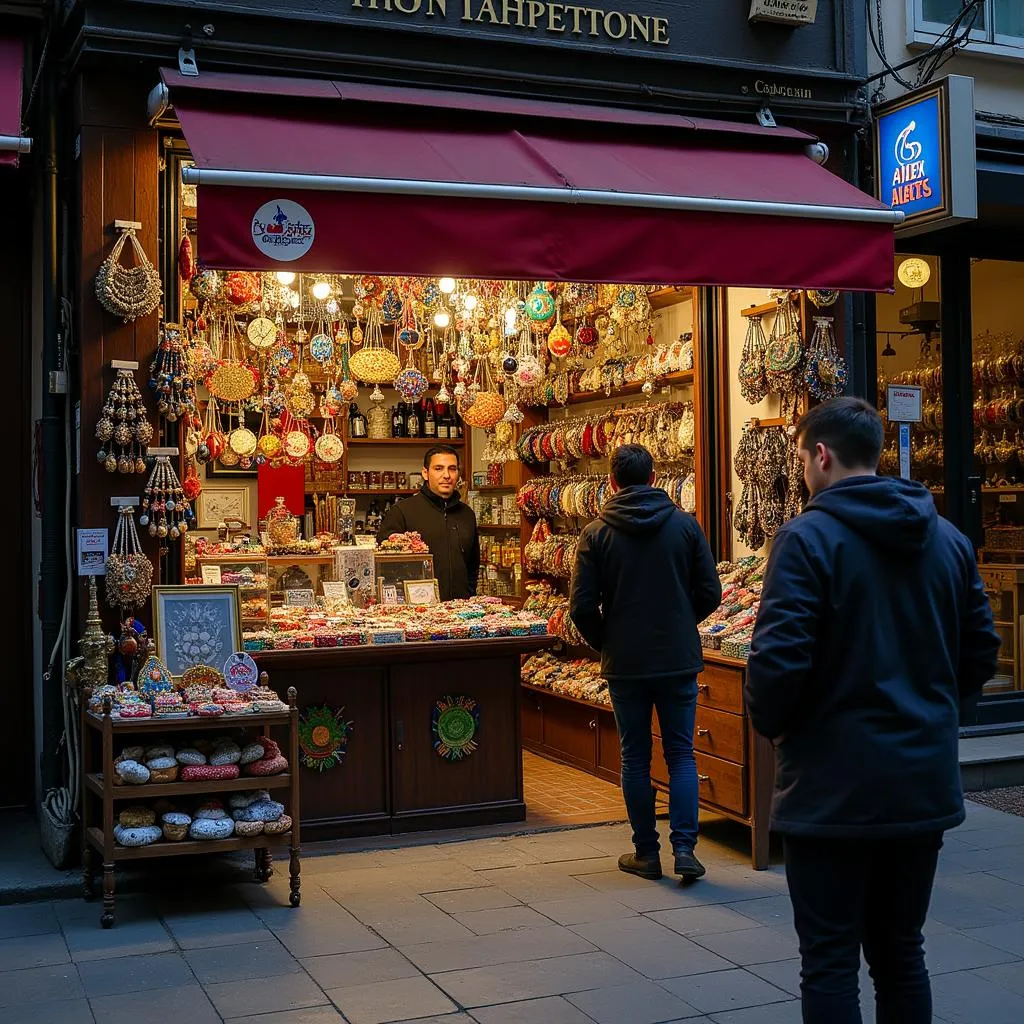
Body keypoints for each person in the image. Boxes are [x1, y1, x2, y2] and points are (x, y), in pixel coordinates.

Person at [745, 397, 1000, 1024]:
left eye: (802, 456)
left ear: (820, 456)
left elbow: (777, 665)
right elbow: (981, 652)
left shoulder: (805, 540)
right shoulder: (948, 539)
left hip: (832, 788)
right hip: (920, 783)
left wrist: (778, 727)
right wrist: (932, 710)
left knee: (830, 959)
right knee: (901, 951)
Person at [570, 443, 722, 882]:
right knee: (681, 754)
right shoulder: (685, 527)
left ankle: (646, 853)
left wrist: (608, 641)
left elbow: (581, 606)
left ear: (612, 481)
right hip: (677, 658)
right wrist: (678, 623)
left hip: (627, 662)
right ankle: (686, 849)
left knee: (635, 756)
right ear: (655, 477)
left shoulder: (597, 532)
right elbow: (710, 592)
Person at [376, 444, 479, 602]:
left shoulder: (467, 514)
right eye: (438, 468)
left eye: (452, 469)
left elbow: (473, 565)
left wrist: (468, 594)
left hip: (461, 609)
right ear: (425, 473)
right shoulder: (402, 511)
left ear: (458, 473)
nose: (446, 475)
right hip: (418, 610)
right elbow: (385, 565)